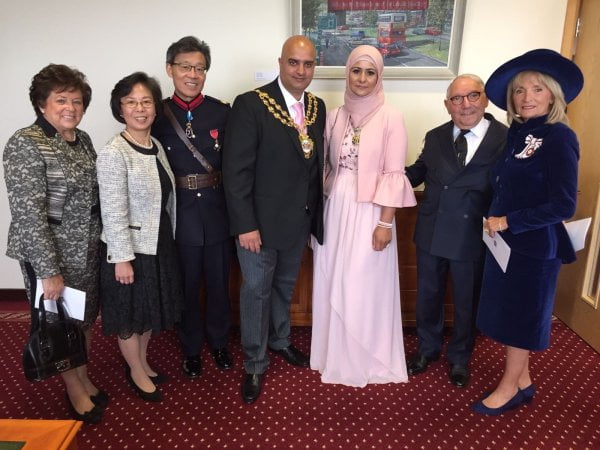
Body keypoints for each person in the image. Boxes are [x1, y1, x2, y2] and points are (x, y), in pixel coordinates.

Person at [472, 49, 583, 415]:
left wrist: (509, 221)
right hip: (505, 244)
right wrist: (494, 219)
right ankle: (523, 379)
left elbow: (563, 205)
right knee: (509, 314)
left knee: (521, 320)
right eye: (519, 90)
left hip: (534, 247)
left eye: (537, 89)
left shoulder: (559, 137)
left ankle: (509, 388)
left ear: (553, 95)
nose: (527, 97)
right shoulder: (517, 134)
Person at [223, 35, 326, 404]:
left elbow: (313, 166)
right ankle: (254, 361)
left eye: (308, 64)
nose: (301, 70)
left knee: (284, 287)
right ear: (281, 63)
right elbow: (236, 172)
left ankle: (280, 340)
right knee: (256, 292)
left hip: (297, 222)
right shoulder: (251, 104)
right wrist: (245, 225)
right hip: (259, 226)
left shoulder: (316, 107)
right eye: (293, 62)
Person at [3, 64, 106, 424]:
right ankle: (74, 390)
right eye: (61, 100)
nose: (70, 108)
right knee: (59, 322)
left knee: (84, 319)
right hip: (51, 254)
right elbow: (28, 214)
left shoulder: (83, 139)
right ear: (41, 103)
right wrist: (48, 271)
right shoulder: (26, 143)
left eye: (77, 101)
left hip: (86, 249)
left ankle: (83, 377)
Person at [310, 45, 416, 387]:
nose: (362, 79)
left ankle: (365, 356)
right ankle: (333, 354)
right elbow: (326, 167)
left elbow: (394, 174)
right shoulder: (335, 116)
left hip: (371, 210)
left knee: (361, 282)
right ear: (347, 73)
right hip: (336, 205)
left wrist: (385, 223)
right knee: (332, 276)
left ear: (379, 77)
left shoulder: (391, 117)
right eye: (356, 70)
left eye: (370, 72)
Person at [404, 74, 508, 388]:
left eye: (473, 96)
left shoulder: (505, 138)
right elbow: (417, 172)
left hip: (473, 234)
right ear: (447, 105)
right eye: (457, 99)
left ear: (485, 99)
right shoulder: (435, 136)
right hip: (432, 230)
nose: (465, 105)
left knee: (466, 301)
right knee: (428, 296)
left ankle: (460, 357)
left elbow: (513, 187)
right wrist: (381, 174)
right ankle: (427, 349)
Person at [97, 72, 183, 403]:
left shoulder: (155, 146)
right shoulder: (114, 152)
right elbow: (112, 211)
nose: (140, 108)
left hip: (157, 244)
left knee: (149, 311)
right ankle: (134, 370)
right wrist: (121, 258)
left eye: (146, 101)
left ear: (155, 107)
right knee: (130, 315)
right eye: (131, 102)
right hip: (129, 251)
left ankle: (143, 362)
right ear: (119, 108)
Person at [152, 36, 233, 378]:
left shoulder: (222, 112)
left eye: (200, 68)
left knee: (218, 283)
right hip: (179, 214)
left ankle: (219, 342)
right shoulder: (155, 115)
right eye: (185, 67)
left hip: (216, 211)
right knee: (185, 286)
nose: (193, 74)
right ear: (170, 69)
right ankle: (190, 348)